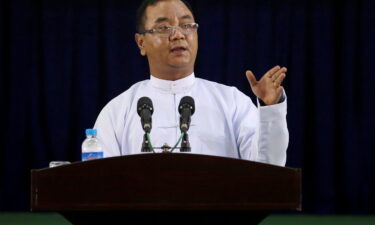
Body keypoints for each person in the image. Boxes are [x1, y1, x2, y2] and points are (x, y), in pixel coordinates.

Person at [94, 0, 289, 166]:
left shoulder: (232, 102)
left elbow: (267, 170)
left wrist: (270, 109)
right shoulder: (117, 111)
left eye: (187, 25)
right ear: (141, 43)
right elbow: (99, 184)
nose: (178, 35)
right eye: (164, 28)